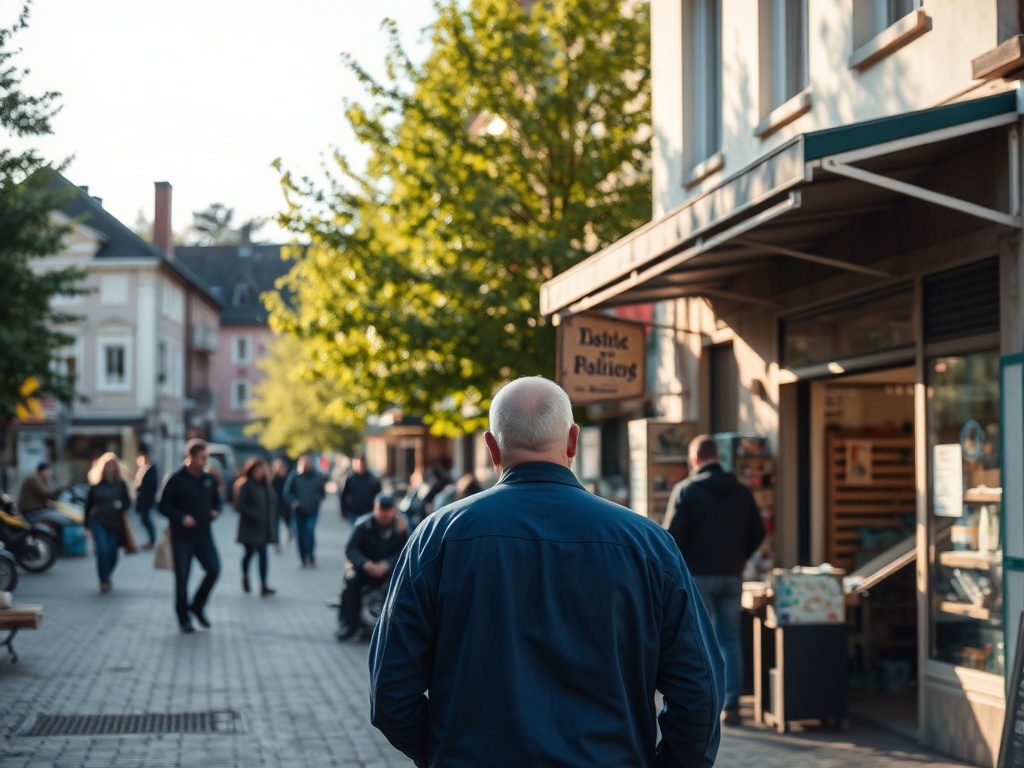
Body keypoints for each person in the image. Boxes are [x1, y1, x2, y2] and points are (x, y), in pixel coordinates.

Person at [369, 377, 724, 767]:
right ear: (572, 441)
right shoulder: (649, 546)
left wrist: (444, 752)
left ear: (492, 447)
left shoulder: (437, 538)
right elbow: (700, 691)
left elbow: (391, 691)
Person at [662, 434, 766, 727]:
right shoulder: (742, 492)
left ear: (695, 459)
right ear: (717, 458)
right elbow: (758, 532)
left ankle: (709, 703)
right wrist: (739, 557)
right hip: (733, 574)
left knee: (701, 641)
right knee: (730, 639)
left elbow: (670, 539)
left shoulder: (686, 491)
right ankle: (732, 704)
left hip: (698, 577)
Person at [158, 439, 222, 633]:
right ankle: (183, 617)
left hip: (204, 536)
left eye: (206, 457)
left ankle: (197, 606)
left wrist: (215, 511)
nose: (205, 460)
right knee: (182, 579)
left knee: (214, 569)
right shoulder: (176, 479)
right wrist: (181, 517)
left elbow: (217, 502)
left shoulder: (208, 479)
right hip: (182, 538)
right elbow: (162, 505)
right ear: (191, 457)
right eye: (202, 457)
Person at [336, 492, 409, 641]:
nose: (385, 514)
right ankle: (349, 624)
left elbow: (407, 550)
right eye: (381, 510)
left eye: (388, 510)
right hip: (365, 569)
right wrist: (366, 564)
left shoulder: (401, 527)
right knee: (351, 581)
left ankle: (393, 628)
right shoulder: (363, 525)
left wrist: (387, 564)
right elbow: (351, 549)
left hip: (389, 571)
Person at [84, 453, 132, 593]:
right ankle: (103, 580)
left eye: (112, 466)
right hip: (98, 521)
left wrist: (121, 505)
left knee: (113, 554)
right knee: (103, 551)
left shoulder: (121, 484)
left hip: (115, 523)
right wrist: (86, 526)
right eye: (107, 466)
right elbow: (88, 507)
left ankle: (107, 575)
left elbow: (128, 502)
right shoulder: (96, 485)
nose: (109, 469)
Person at [233, 457, 277, 597]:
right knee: (249, 554)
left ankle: (264, 584)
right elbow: (240, 506)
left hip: (263, 528)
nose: (259, 472)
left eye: (261, 470)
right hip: (250, 527)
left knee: (263, 555)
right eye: (257, 470)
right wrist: (255, 515)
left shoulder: (266, 485)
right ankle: (245, 576)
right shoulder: (246, 485)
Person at [282, 454, 327, 567]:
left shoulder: (317, 477)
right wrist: (293, 502)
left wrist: (316, 500)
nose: (305, 466)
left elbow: (322, 493)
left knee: (309, 531)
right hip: (298, 511)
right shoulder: (294, 476)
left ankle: (310, 554)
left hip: (312, 510)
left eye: (307, 464)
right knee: (300, 535)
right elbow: (287, 493)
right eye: (303, 464)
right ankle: (303, 558)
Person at [338, 454, 381, 524]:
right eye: (358, 464)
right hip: (354, 513)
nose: (360, 466)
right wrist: (344, 512)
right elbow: (343, 496)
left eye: (362, 463)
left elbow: (378, 497)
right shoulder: (349, 479)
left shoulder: (373, 480)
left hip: (369, 513)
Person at [134, 444, 159, 550]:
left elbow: (151, 486)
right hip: (143, 500)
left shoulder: (151, 469)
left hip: (147, 500)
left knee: (147, 520)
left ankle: (152, 540)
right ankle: (151, 540)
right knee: (145, 521)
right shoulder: (143, 469)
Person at [270, 457, 291, 546]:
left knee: (288, 523)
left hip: (286, 505)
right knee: (275, 525)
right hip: (275, 505)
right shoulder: (272, 479)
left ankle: (290, 534)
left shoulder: (288, 479)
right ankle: (276, 542)